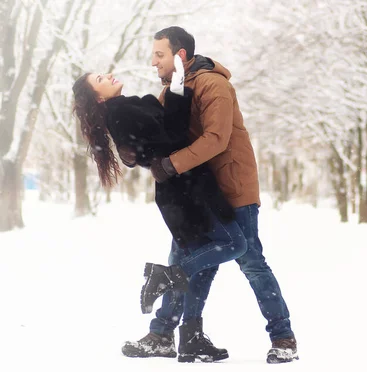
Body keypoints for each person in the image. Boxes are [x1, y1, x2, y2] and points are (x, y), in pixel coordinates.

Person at [120, 26, 298, 364]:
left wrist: (170, 165)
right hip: (197, 192)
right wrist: (130, 147)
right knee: (185, 261)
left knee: (251, 262)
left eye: (159, 55)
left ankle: (283, 337)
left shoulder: (214, 84)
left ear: (179, 55)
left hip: (231, 189)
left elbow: (216, 137)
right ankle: (167, 335)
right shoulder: (173, 89)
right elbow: (157, 133)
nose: (153, 62)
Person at [71, 57, 247, 362]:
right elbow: (163, 142)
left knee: (198, 261)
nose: (109, 74)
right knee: (233, 244)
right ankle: (168, 288)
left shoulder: (131, 105)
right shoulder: (121, 113)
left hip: (186, 186)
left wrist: (177, 86)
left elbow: (171, 129)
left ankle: (169, 335)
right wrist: (146, 155)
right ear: (99, 97)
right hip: (185, 189)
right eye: (101, 78)